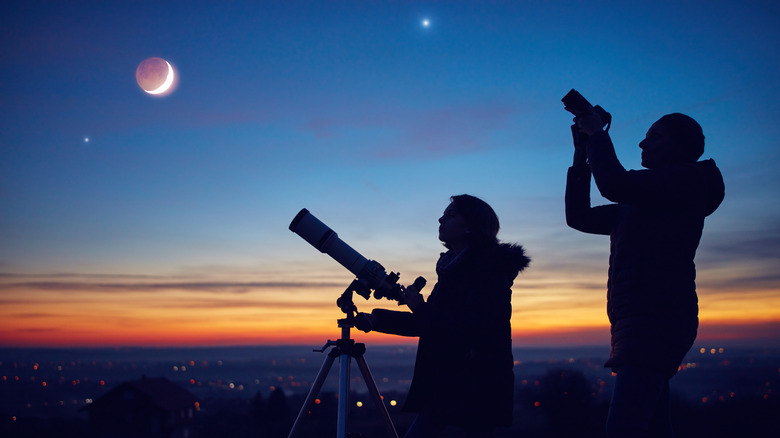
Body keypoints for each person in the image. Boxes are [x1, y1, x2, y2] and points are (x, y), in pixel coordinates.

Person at [565, 107, 725, 437]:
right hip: (641, 320)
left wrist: (597, 135)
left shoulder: (685, 182)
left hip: (656, 320)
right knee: (650, 425)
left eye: (654, 136)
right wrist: (581, 154)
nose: (642, 143)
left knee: (625, 426)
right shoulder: (643, 203)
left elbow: (614, 183)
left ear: (680, 145)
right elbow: (579, 217)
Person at [355, 194, 530, 438]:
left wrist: (419, 306)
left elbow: (465, 327)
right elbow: (431, 323)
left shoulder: (488, 271)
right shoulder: (454, 269)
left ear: (471, 225)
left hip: (476, 381)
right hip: (450, 379)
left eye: (451, 215)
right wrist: (377, 320)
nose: (441, 219)